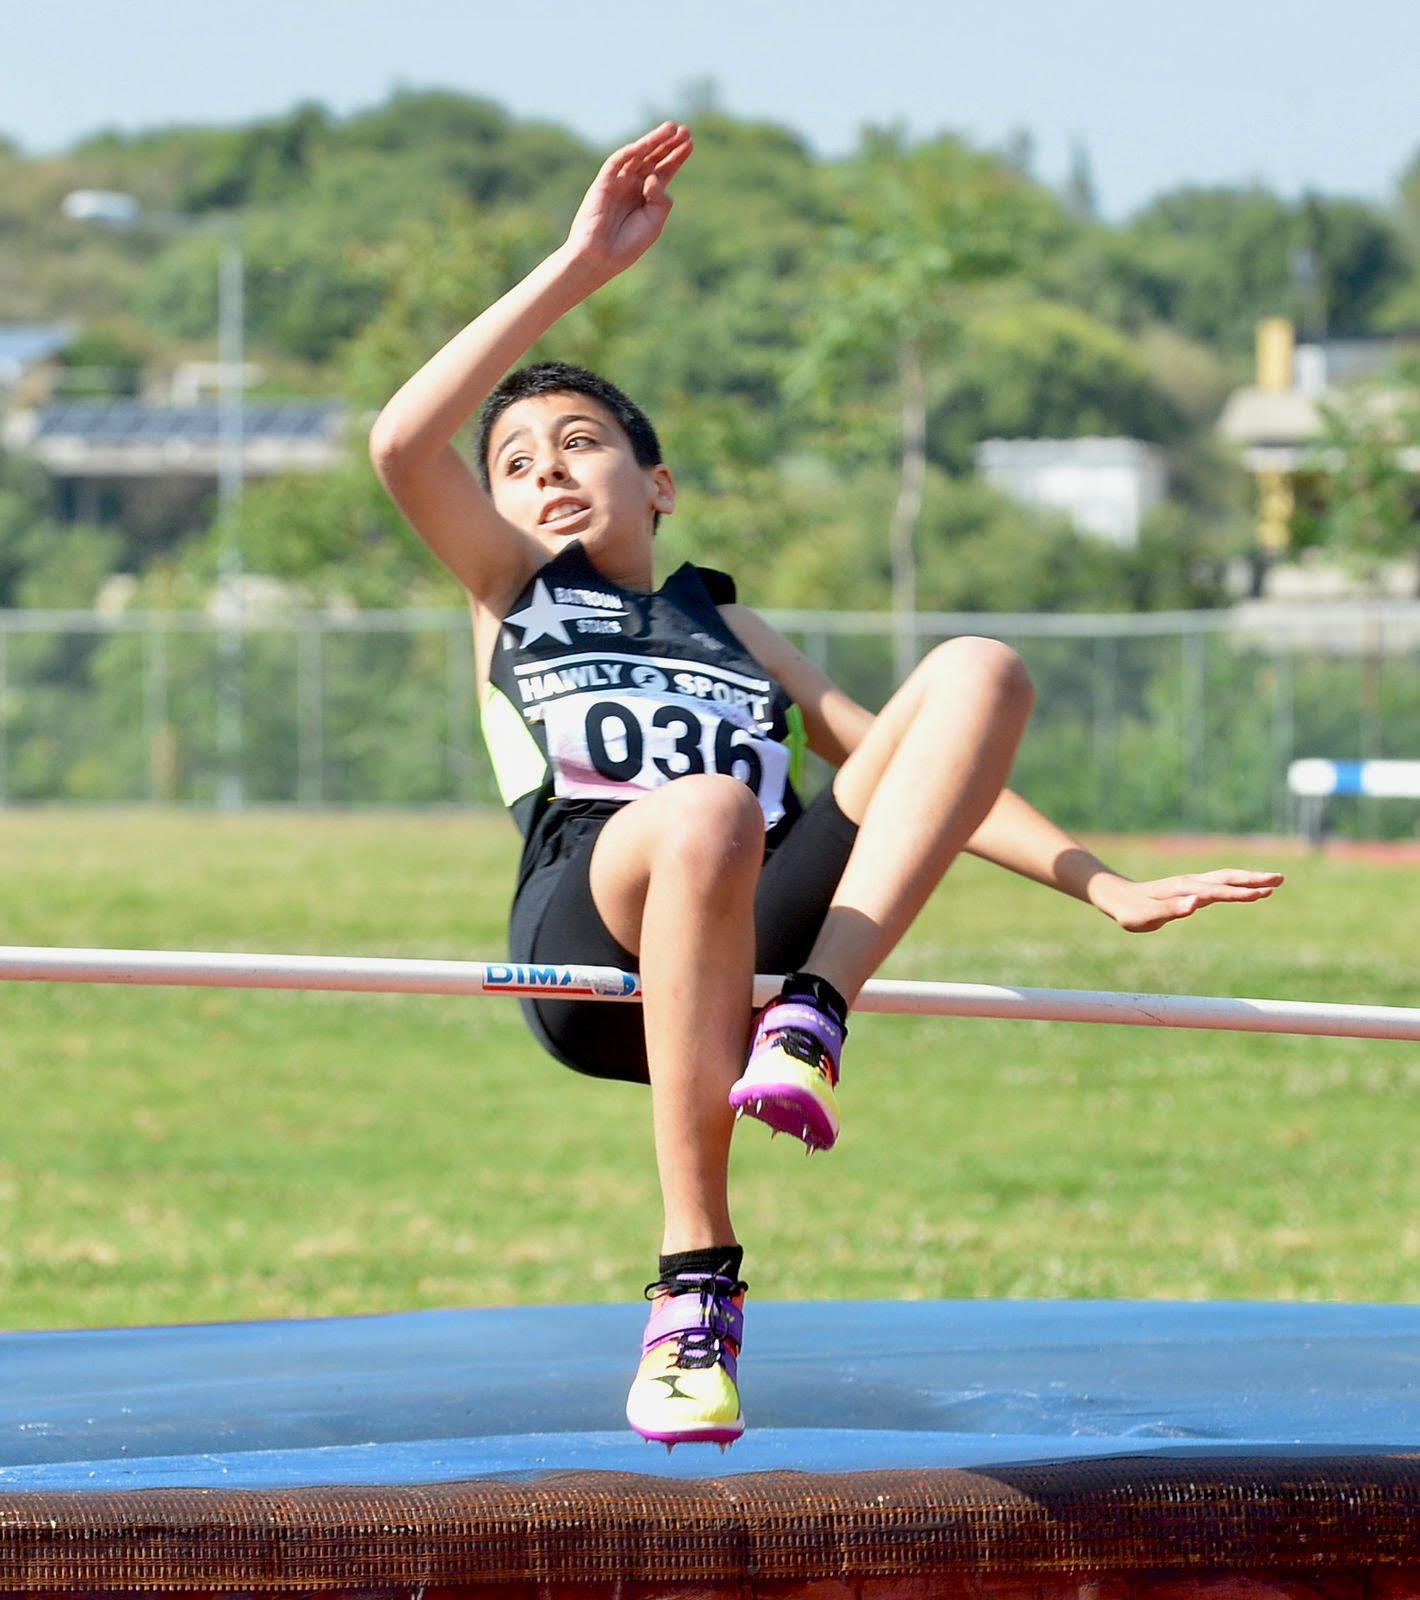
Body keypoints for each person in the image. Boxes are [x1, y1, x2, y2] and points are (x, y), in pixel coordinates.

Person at [369, 122, 1282, 1450]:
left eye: (579, 443)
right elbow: (402, 441)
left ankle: (812, 1016)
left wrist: (1102, 886)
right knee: (708, 808)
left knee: (977, 670)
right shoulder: (512, 590)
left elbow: (922, 777)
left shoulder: (736, 632)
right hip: (593, 942)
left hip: (750, 935)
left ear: (658, 485)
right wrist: (581, 265)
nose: (546, 469)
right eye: (515, 463)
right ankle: (694, 1287)